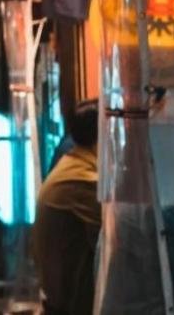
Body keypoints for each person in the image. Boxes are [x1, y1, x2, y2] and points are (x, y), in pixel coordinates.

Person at [34, 100, 100, 315]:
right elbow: (115, 232)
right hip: (70, 300)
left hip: (57, 292)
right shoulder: (82, 178)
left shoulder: (73, 160)